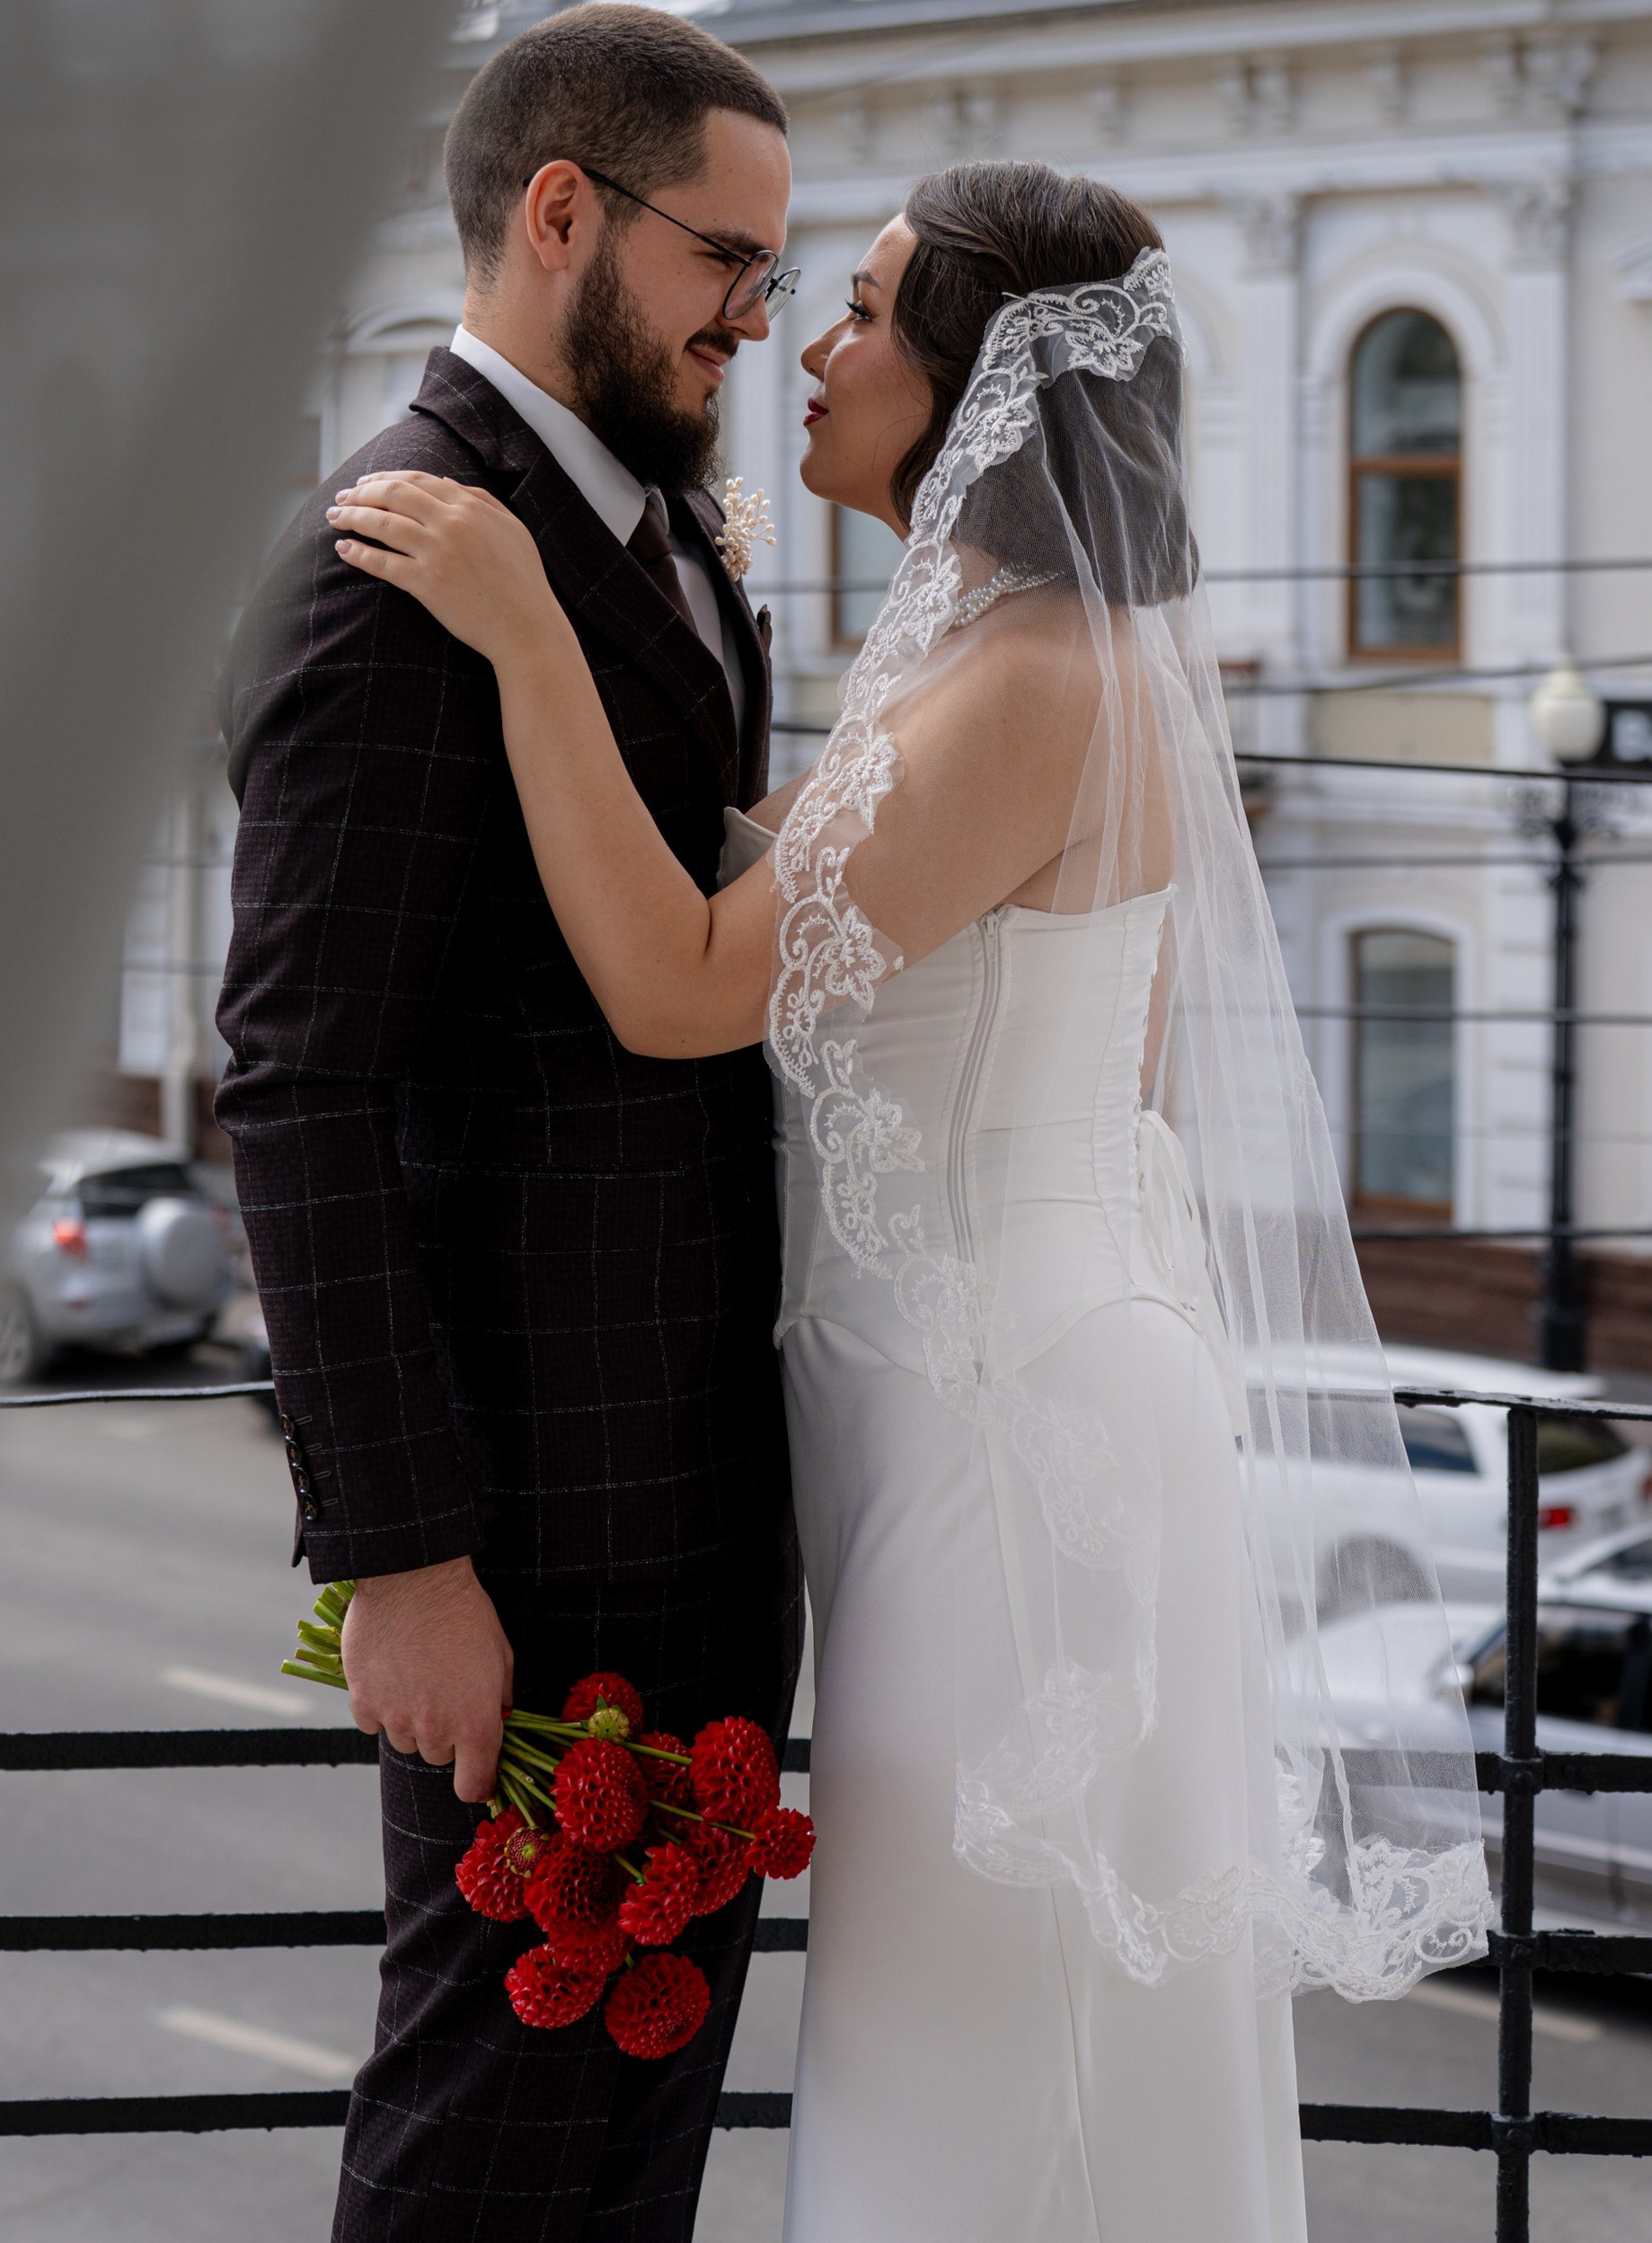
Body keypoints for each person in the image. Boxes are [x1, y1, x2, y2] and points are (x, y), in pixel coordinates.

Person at [326, 161, 1493, 2243]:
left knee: (979, 2058)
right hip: (934, 1402)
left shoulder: (1038, 676)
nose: (808, 338)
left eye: (860, 308)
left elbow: (688, 976)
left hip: (998, 1431)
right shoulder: (977, 646)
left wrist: (518, 628)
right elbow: (807, 908)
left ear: (978, 389)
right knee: (945, 2035)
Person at [214, 3, 805, 2243]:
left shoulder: (667, 537)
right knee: (487, 2147)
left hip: (690, 1504)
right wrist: (396, 1551)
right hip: (528, 1546)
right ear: (560, 210)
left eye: (774, 271)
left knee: (622, 2156)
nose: (754, 313)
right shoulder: (383, 570)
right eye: (722, 260)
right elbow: (299, 1077)